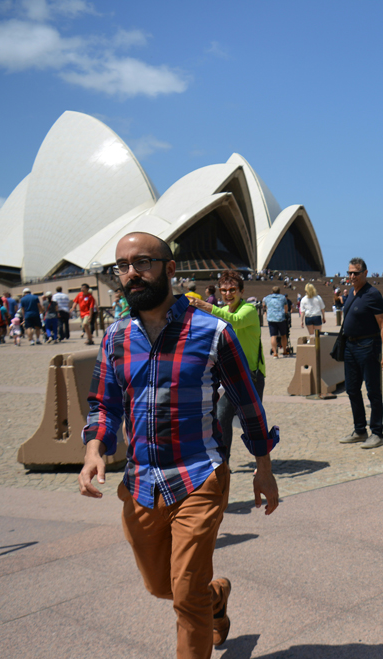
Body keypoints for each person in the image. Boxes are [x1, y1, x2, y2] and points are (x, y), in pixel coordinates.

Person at [78, 231, 279, 659]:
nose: (131, 274)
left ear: (170, 269)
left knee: (185, 595)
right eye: (123, 266)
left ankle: (201, 604)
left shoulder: (212, 331)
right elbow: (103, 404)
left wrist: (263, 465)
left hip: (199, 475)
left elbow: (246, 401)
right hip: (141, 483)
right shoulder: (115, 338)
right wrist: (95, 447)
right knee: (160, 585)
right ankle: (216, 597)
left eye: (143, 263)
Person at [188, 270, 266, 457]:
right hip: (229, 375)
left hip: (251, 374)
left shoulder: (248, 310)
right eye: (223, 290)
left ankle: (262, 461)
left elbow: (235, 321)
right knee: (222, 418)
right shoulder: (221, 311)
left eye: (232, 289)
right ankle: (225, 462)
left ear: (241, 291)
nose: (228, 294)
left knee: (252, 422)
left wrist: (206, 306)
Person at [339, 257, 383, 449]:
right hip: (350, 347)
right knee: (352, 389)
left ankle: (377, 433)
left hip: (368, 346)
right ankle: (360, 430)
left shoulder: (373, 294)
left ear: (365, 273)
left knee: (373, 391)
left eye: (356, 273)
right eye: (349, 273)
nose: (352, 276)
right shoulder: (352, 293)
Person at [262, 285, 288, 358]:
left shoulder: (267, 298)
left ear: (271, 292)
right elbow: (286, 307)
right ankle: (284, 351)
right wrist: (286, 313)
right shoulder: (283, 298)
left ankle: (275, 353)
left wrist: (267, 311)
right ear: (279, 292)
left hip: (271, 318)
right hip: (281, 318)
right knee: (283, 335)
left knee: (273, 336)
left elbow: (264, 305)